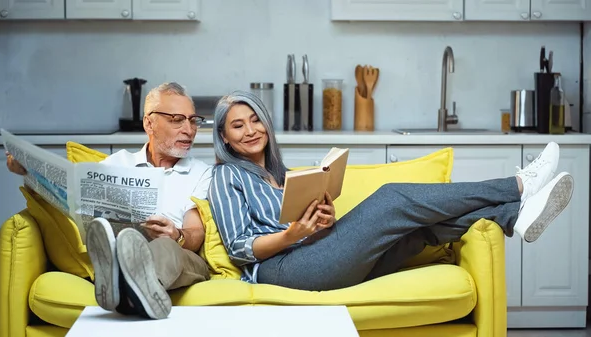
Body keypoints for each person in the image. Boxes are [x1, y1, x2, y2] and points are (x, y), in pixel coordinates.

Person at [206, 90, 574, 292]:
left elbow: (306, 230)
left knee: (419, 231)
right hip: (279, 270)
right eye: (238, 126)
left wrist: (322, 220)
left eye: (255, 120)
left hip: (313, 256)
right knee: (391, 199)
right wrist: (292, 234)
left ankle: (514, 216)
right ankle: (519, 185)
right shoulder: (226, 177)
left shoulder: (279, 174)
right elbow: (240, 249)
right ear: (224, 137)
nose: (250, 130)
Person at [6, 82, 212, 319]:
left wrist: (177, 234)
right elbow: (74, 200)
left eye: (193, 120)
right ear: (149, 123)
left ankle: (121, 288)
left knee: (164, 247)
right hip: (121, 248)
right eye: (177, 119)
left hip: (178, 256)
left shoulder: (202, 172)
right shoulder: (117, 164)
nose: (189, 129)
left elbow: (196, 233)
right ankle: (128, 284)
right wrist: (31, 171)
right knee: (108, 233)